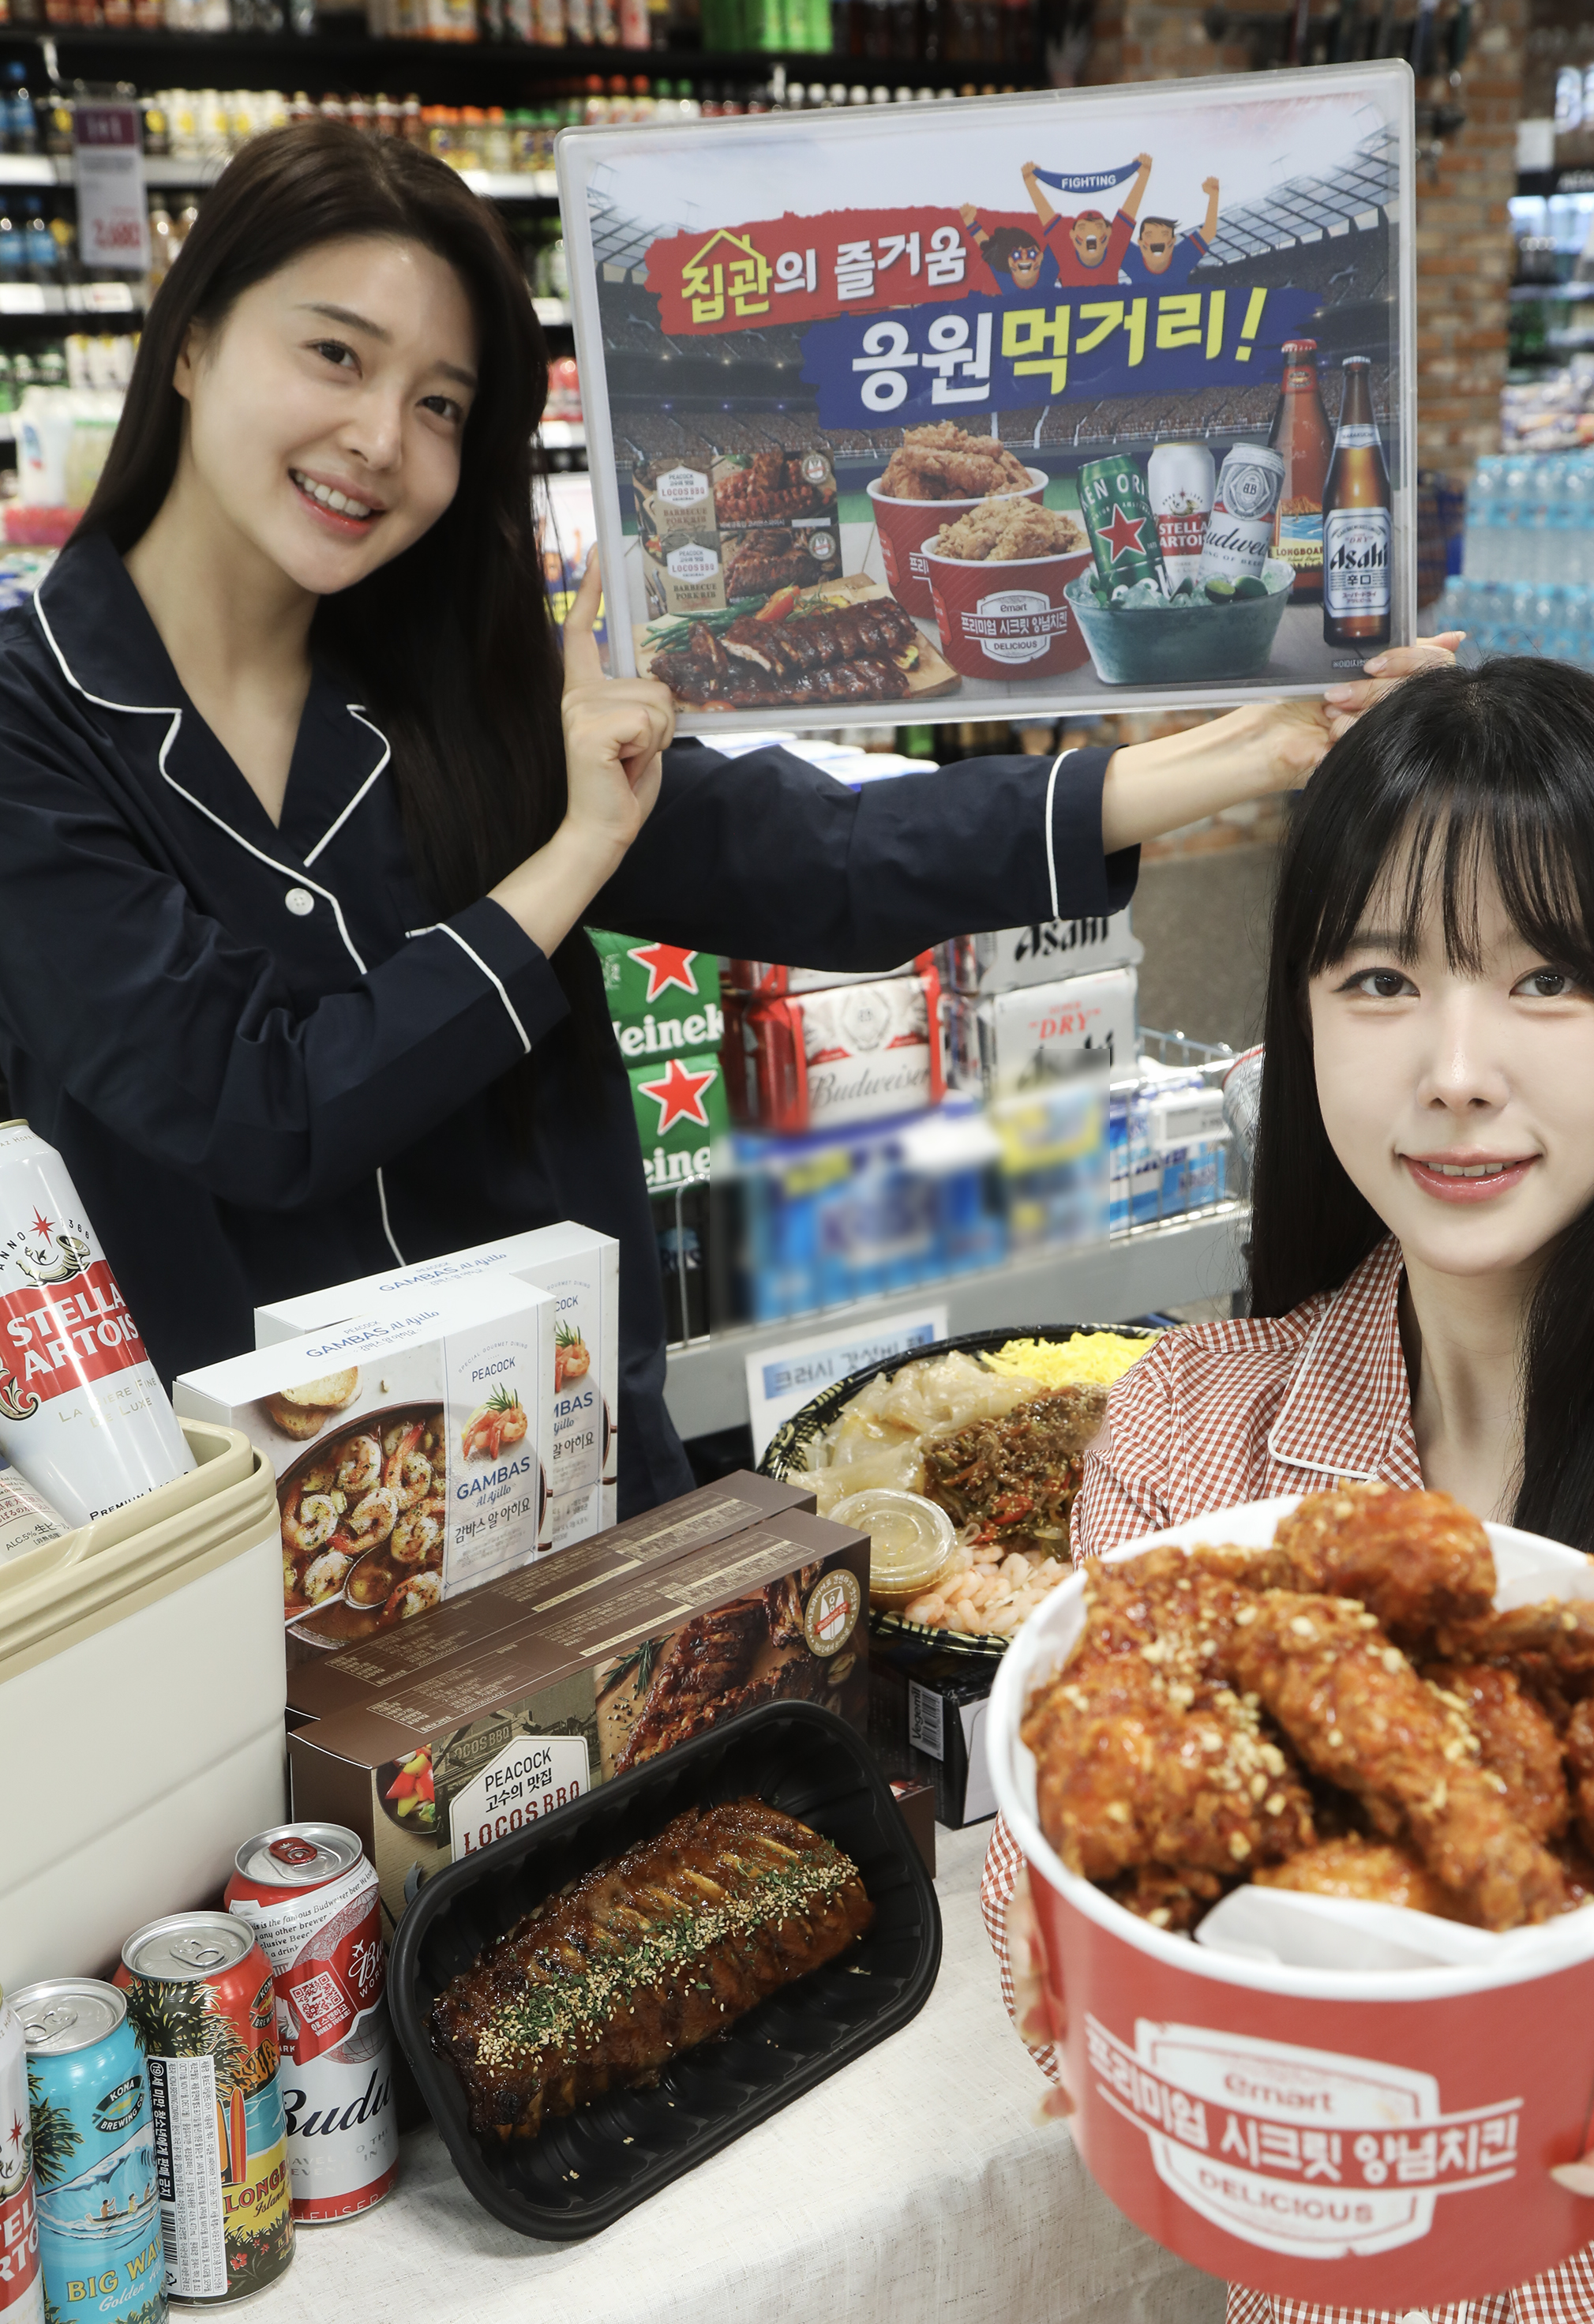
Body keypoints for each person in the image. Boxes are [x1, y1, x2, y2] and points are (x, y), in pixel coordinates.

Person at [0, 120, 1435, 1519]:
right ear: (191, 339)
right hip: (252, 1546)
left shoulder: (453, 679)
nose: (380, 437)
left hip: (555, 1487)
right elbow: (254, 1106)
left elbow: (805, 854)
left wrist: (1239, 750)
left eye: (441, 404)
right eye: (335, 355)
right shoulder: (33, 722)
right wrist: (574, 855)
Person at [982, 655, 1594, 2324]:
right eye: (1379, 978)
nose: (1452, 1069)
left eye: (1546, 980)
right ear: (1298, 1017)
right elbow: (1045, 1918)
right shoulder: (1188, 1430)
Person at [1020, 153, 1151, 287]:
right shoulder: (1066, 251)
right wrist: (1030, 182)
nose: (1091, 233)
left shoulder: (1113, 248)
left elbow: (1129, 212)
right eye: (1083, 228)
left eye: (1098, 227)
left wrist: (1144, 175)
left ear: (1108, 232)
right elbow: (1046, 215)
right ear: (1072, 235)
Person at [1125, 178, 1221, 285]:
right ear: (1140, 241)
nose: (1157, 240)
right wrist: (1143, 177)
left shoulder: (1180, 258)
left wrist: (1214, 195)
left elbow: (1209, 231)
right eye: (1149, 235)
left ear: (1173, 240)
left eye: (1164, 234)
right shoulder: (1134, 259)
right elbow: (1117, 233)